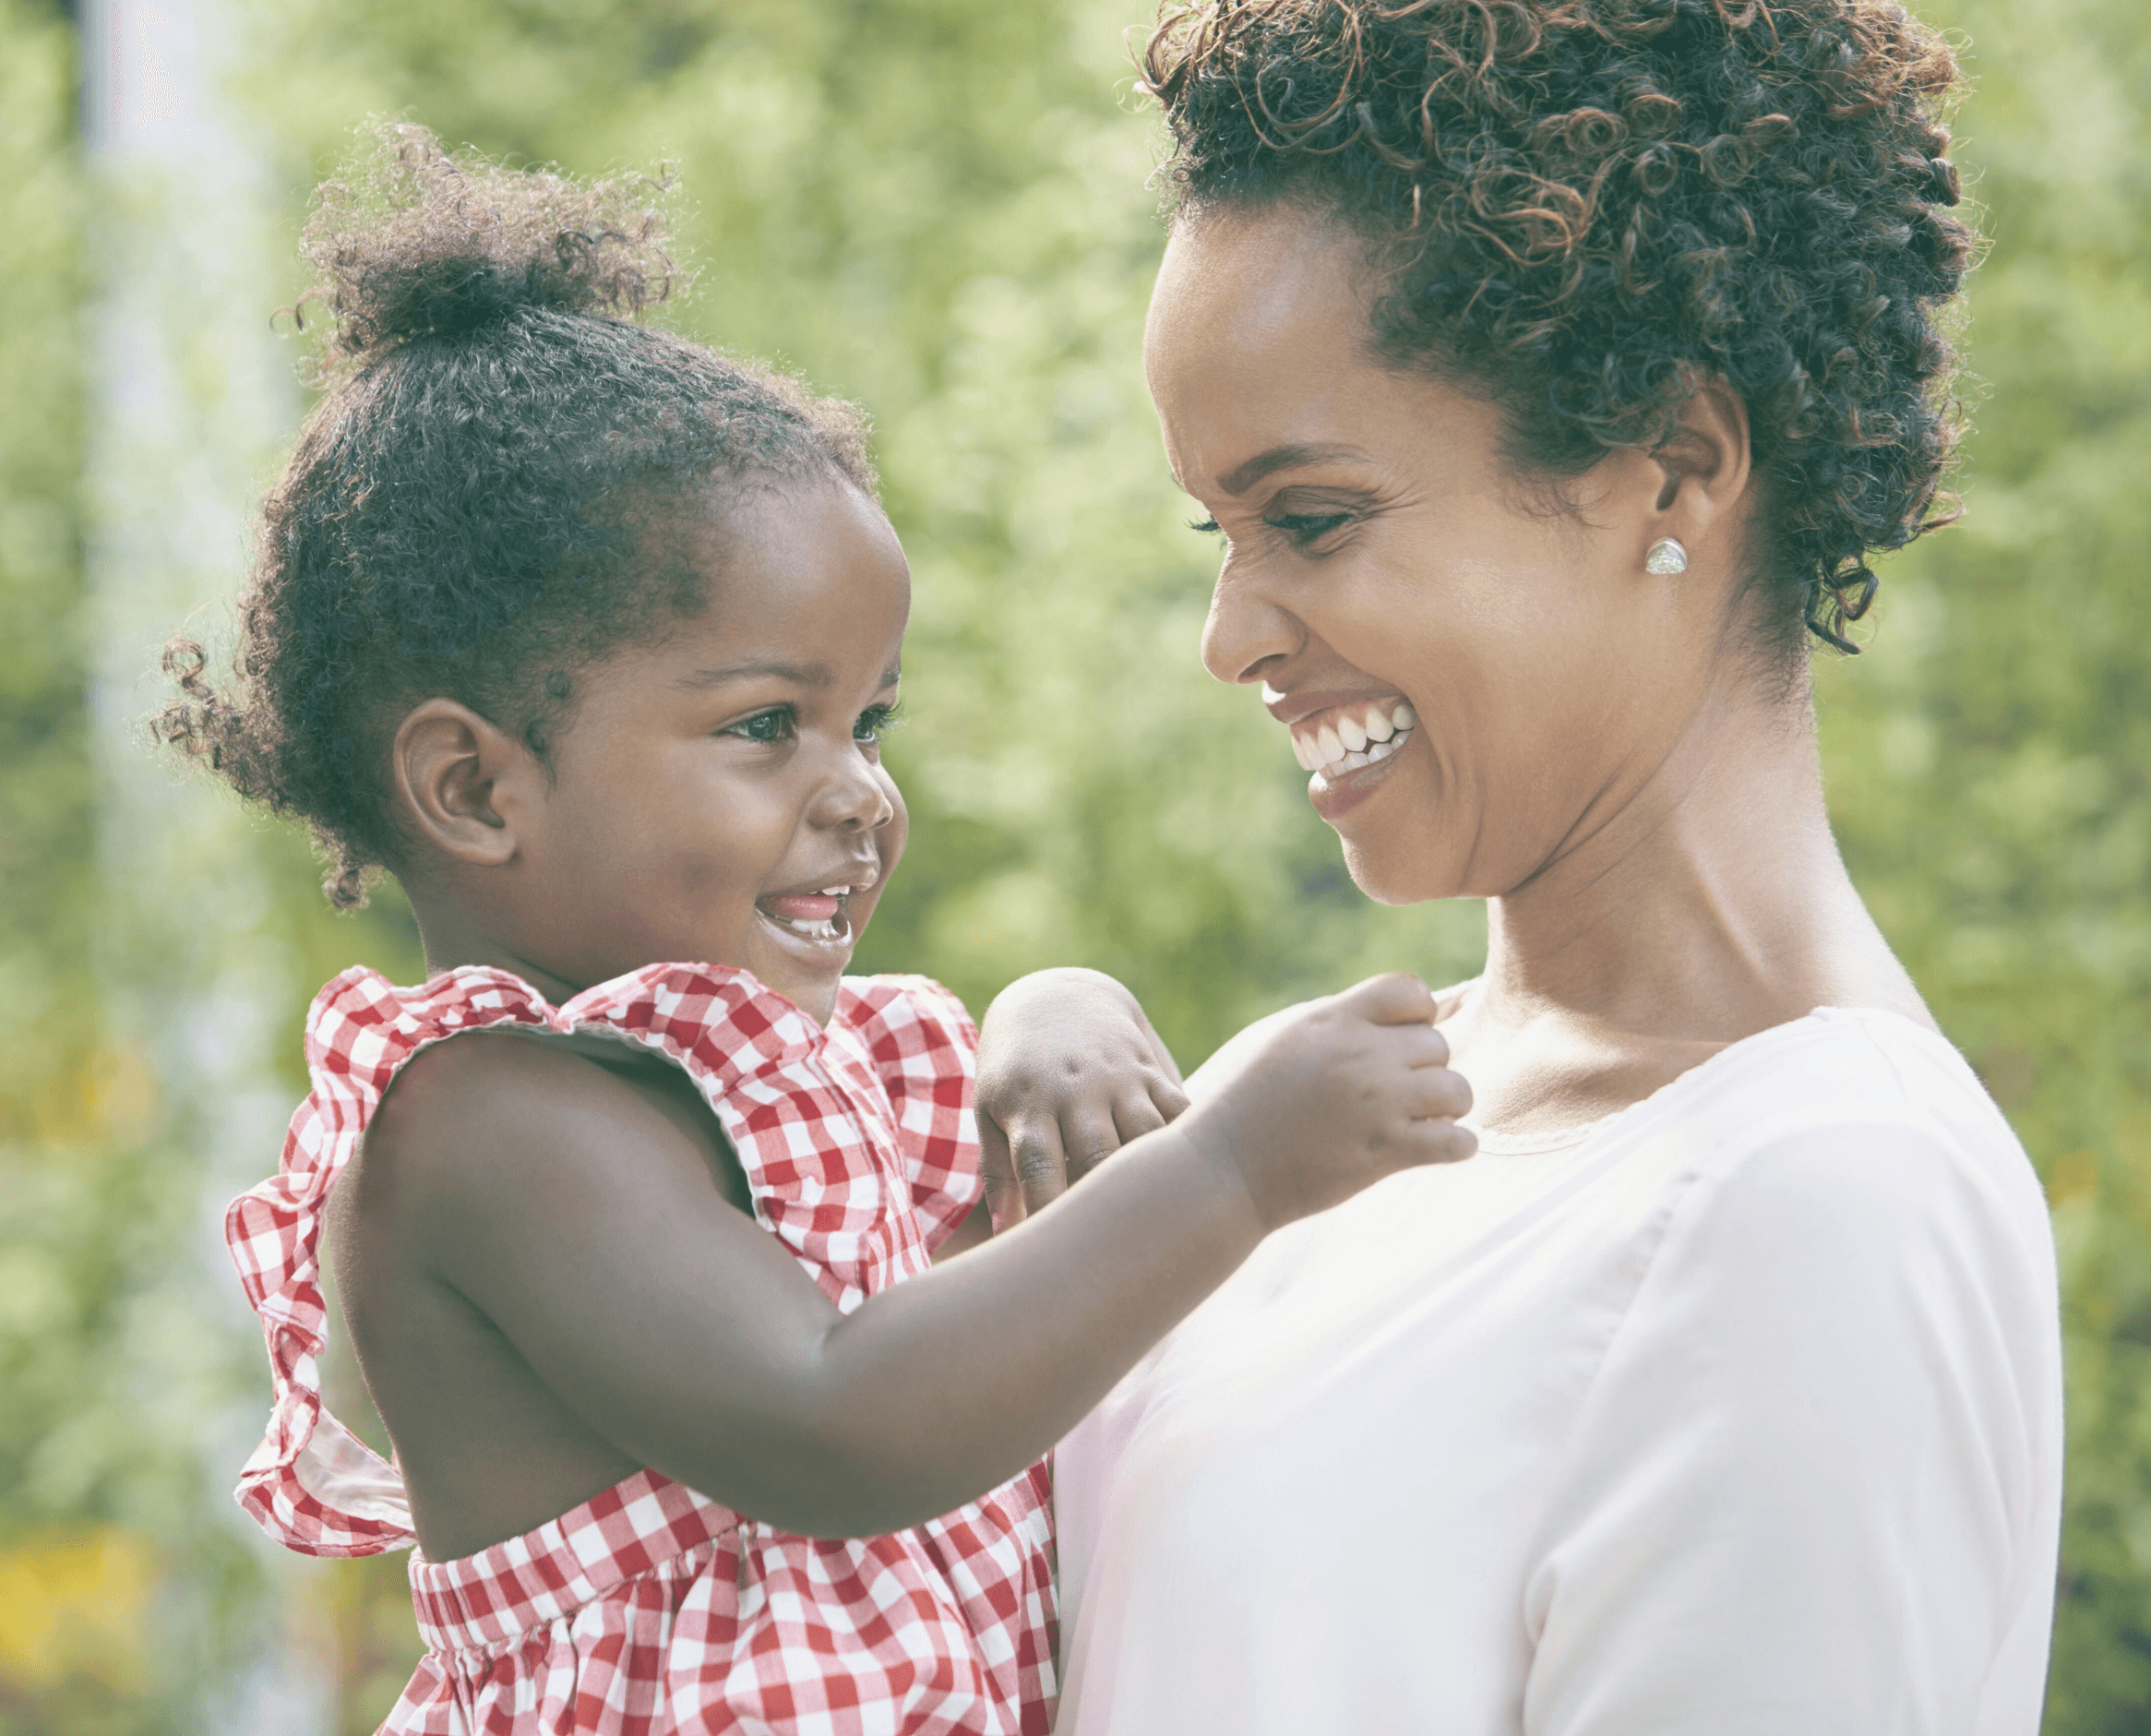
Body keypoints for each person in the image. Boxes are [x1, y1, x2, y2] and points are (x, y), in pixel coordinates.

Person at [161, 126, 1474, 1736]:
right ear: (472, 787)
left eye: (871, 721)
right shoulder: (489, 1128)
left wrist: (1052, 1015)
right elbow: (840, 1417)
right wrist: (1230, 1169)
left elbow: (985, 1299)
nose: (856, 791)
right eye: (766, 724)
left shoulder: (799, 1071)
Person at [1048, 4, 2064, 1731]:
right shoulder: (1298, 1111)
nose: (1228, 638)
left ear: (1673, 466)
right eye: (1210, 532)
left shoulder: (1822, 1203)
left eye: (1309, 518)